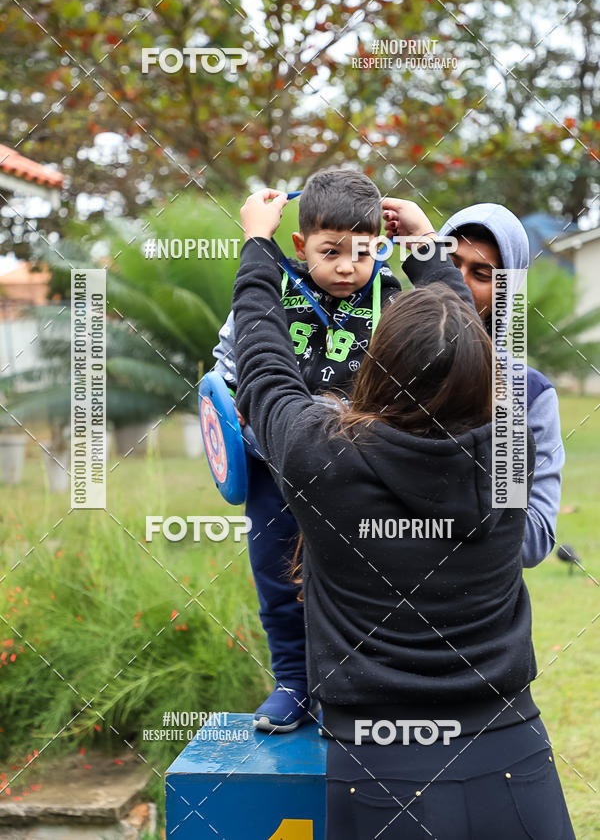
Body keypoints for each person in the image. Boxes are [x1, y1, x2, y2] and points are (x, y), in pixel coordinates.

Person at [231, 188, 576, 840]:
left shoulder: (320, 456)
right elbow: (477, 354)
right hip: (514, 754)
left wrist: (259, 247)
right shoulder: (509, 447)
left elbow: (262, 367)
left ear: (374, 364)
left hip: (381, 769)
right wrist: (427, 250)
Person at [212, 169, 404, 731]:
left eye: (363, 252)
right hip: (275, 468)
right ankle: (294, 682)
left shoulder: (388, 301)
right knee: (276, 575)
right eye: (331, 251)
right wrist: (228, 411)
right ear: (300, 244)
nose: (347, 266)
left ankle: (344, 686)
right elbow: (233, 357)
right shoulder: (273, 288)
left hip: (356, 474)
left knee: (354, 580)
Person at [382, 199, 565, 567]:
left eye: (482, 274)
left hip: (475, 613)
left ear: (506, 291)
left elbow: (533, 539)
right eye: (448, 265)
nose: (457, 284)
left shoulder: (527, 393)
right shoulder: (386, 361)